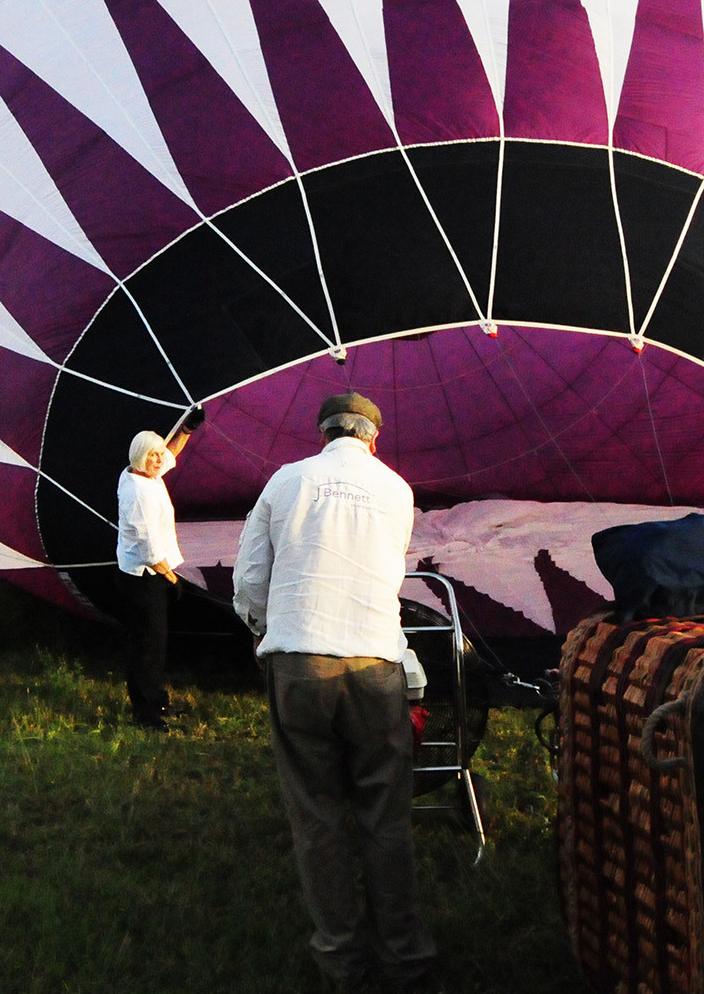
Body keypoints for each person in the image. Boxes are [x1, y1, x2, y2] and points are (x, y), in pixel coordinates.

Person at [234, 392, 441, 994]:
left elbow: (250, 578)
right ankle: (405, 959)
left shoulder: (286, 480)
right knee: (386, 816)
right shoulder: (397, 489)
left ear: (323, 434)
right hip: (375, 661)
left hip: (299, 660)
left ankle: (342, 962)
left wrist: (265, 628)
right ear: (374, 439)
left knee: (317, 817)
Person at [115, 408, 203, 730]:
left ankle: (154, 699)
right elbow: (149, 548)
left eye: (158, 453)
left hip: (149, 575)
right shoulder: (138, 493)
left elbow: (170, 454)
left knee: (154, 643)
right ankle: (146, 715)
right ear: (140, 457)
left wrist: (186, 430)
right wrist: (171, 578)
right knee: (147, 647)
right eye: (151, 455)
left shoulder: (139, 474)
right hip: (144, 578)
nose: (158, 459)